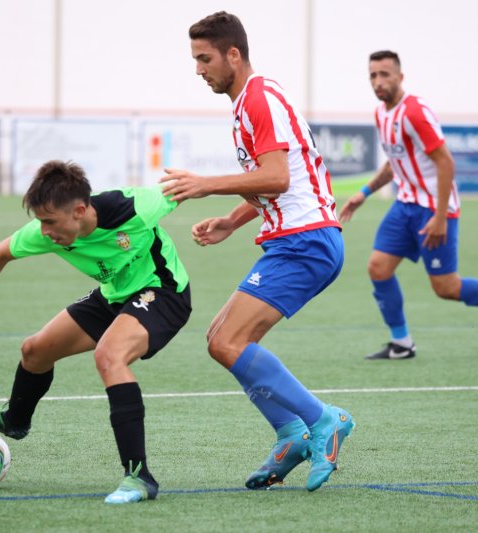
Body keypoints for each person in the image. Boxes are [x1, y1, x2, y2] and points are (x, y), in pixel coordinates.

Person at [159, 11, 354, 492]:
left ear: (233, 54)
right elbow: (278, 184)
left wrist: (208, 187)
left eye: (204, 59)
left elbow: (278, 177)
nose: (199, 70)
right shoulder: (249, 102)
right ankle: (291, 435)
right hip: (299, 238)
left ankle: (323, 419)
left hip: (305, 241)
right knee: (220, 338)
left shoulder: (259, 99)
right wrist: (232, 219)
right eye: (194, 60)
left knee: (228, 342)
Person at [0, 160, 191, 504]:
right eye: (39, 221)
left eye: (50, 221)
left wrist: (231, 215)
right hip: (115, 296)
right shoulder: (47, 231)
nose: (45, 230)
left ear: (80, 210)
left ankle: (139, 477)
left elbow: (191, 188)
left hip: (163, 292)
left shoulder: (136, 206)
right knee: (35, 351)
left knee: (109, 356)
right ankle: (13, 421)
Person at [338, 50, 478, 360]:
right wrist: (364, 192)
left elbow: (446, 163)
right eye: (373, 76)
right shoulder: (381, 114)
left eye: (384, 74)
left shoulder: (415, 113)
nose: (378, 82)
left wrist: (440, 217)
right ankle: (402, 343)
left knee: (446, 287)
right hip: (405, 204)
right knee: (378, 268)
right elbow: (396, 161)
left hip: (433, 209)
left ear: (400, 77)